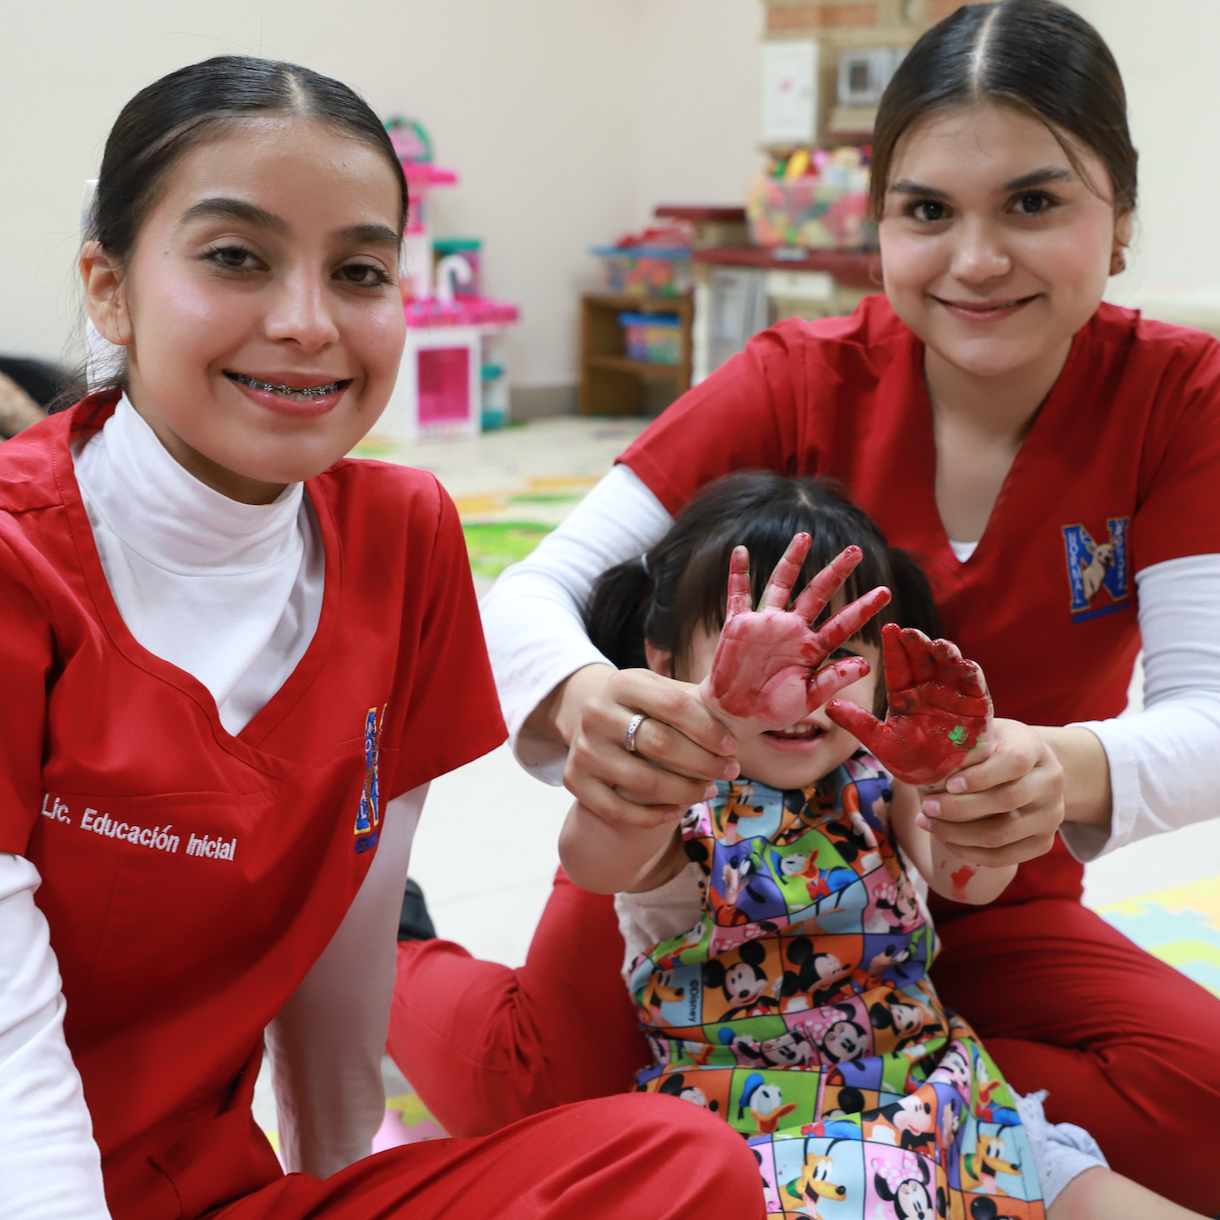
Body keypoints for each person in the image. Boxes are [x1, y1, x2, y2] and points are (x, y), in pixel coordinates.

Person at [390, 1, 1220, 1209]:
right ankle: (405, 949)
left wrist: (1048, 767)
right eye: (925, 210)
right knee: (556, 1109)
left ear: (1121, 220)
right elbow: (531, 593)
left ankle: (890, 1103)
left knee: (1200, 1111)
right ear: (877, 222)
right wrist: (609, 716)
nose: (975, 258)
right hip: (705, 881)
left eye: (1032, 203)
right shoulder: (796, 378)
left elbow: (1206, 717)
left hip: (957, 876)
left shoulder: (1176, 398)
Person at [0, 56, 763, 1220]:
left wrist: (343, 1180)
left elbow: (346, 934)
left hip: (197, 1185)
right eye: (234, 258)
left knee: (677, 1159)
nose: (307, 323)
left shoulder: (401, 536)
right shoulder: (18, 556)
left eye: (358, 271)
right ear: (109, 288)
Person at [566, 469, 1204, 1218]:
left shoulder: (882, 777)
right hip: (760, 1139)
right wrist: (706, 723)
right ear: (668, 662)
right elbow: (593, 857)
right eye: (760, 659)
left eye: (833, 655)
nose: (794, 693)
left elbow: (964, 881)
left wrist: (961, 784)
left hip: (944, 1100)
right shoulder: (673, 793)